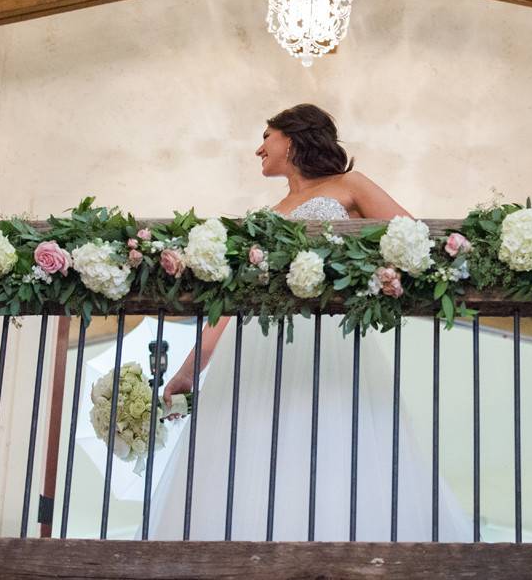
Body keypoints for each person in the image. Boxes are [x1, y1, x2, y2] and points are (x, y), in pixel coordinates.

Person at [143, 104, 471, 541]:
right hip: (257, 345)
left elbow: (412, 238)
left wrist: (368, 279)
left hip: (324, 339)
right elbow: (232, 304)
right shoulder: (267, 214)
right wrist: (188, 369)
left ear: (292, 139)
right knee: (257, 451)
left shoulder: (348, 185)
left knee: (332, 440)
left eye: (267, 136)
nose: (259, 148)